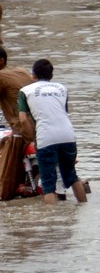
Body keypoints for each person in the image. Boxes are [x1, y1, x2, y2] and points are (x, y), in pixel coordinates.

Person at [16, 59, 86, 204]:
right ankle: (83, 208)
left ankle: (51, 222)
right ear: (51, 75)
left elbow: (23, 119)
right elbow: (62, 112)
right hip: (68, 135)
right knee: (72, 176)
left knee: (48, 184)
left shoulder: (25, 91)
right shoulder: (62, 89)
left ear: (33, 75)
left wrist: (32, 137)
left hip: (46, 137)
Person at [0, 46, 33, 131]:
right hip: (38, 126)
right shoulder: (22, 71)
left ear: (1, 61)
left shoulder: (1, 76)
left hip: (22, 130)